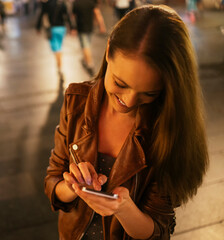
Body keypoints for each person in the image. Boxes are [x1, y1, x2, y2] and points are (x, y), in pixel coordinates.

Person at [45, 5, 208, 240]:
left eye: (149, 94)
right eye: (120, 83)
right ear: (108, 50)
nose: (129, 101)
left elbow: (159, 230)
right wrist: (72, 187)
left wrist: (123, 209)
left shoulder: (166, 130)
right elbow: (52, 180)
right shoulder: (76, 101)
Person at [36, 0, 75, 76]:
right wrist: (72, 27)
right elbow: (67, 16)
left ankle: (59, 67)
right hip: (62, 29)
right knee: (59, 47)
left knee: (57, 49)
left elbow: (41, 15)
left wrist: (38, 27)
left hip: (53, 29)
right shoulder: (62, 4)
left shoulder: (47, 4)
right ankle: (59, 65)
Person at [73, 0, 106, 76]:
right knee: (87, 44)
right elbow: (97, 14)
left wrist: (73, 27)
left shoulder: (76, 3)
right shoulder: (91, 2)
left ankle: (90, 64)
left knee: (85, 46)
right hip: (90, 27)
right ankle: (85, 59)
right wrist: (101, 25)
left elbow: (73, 16)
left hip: (81, 28)